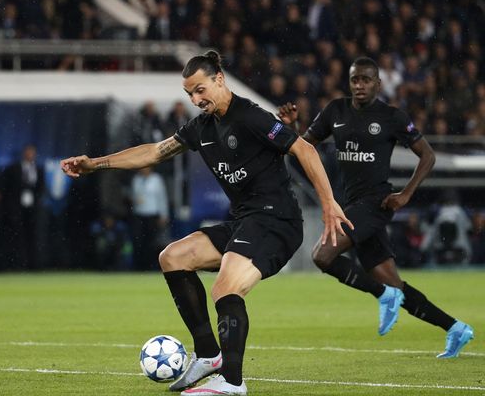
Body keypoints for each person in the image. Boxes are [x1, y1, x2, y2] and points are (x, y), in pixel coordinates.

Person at [61, 50, 351, 396]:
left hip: (276, 222)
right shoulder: (201, 128)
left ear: (219, 80)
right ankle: (209, 355)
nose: (196, 99)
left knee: (226, 288)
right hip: (245, 221)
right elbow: (155, 151)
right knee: (173, 257)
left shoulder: (252, 117)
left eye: (200, 90)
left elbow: (305, 150)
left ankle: (232, 381)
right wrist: (96, 164)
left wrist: (329, 203)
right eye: (189, 94)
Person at [278, 56, 474, 359]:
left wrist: (406, 193)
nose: (359, 85)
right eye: (355, 79)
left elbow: (428, 156)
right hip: (351, 205)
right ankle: (455, 328)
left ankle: (383, 295)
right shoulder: (335, 111)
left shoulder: (392, 117)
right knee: (393, 282)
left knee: (322, 255)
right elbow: (304, 148)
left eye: (366, 80)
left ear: (378, 84)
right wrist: (293, 128)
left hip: (375, 204)